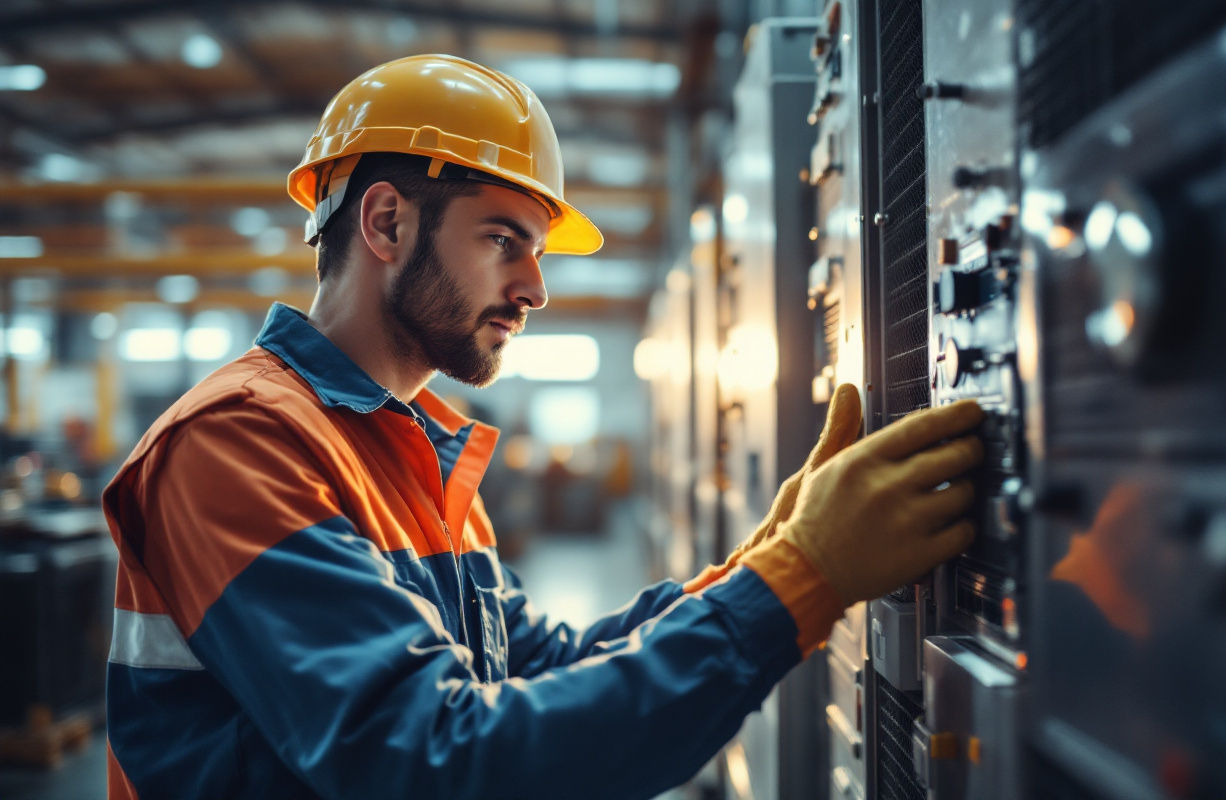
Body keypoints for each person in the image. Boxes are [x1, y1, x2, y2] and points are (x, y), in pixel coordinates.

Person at [101, 55, 984, 800]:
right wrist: (802, 581)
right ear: (385, 222)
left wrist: (774, 554)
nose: (535, 289)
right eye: (502, 239)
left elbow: (539, 666)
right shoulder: (237, 444)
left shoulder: (413, 450)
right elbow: (429, 759)